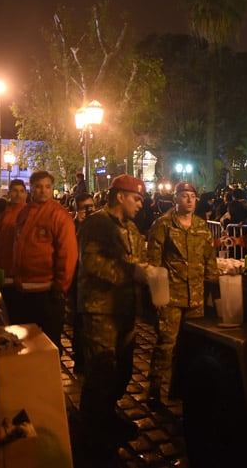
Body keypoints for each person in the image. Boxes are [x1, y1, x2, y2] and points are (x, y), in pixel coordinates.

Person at [76, 174, 148, 445]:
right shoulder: (97, 224)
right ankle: (93, 429)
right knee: (101, 370)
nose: (141, 204)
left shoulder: (130, 228)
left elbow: (139, 259)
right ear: (120, 196)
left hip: (124, 307)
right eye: (136, 199)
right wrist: (132, 272)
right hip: (100, 309)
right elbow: (93, 264)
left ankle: (106, 414)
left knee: (123, 370)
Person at [146, 181, 218, 404]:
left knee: (190, 347)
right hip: (171, 297)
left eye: (192, 196)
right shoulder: (163, 225)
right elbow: (154, 264)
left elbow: (210, 261)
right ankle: (154, 389)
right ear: (175, 199)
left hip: (195, 298)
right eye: (184, 195)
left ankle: (183, 388)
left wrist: (213, 292)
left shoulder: (201, 227)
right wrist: (157, 296)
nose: (189, 199)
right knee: (165, 344)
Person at [11, 171, 78, 349]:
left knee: (49, 343)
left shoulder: (59, 215)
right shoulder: (24, 212)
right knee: (25, 342)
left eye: (47, 187)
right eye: (39, 187)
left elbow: (68, 253)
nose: (43, 191)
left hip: (47, 292)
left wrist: (60, 287)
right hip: (23, 289)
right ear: (31, 189)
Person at [68, 191, 95, 373]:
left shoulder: (98, 226)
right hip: (76, 279)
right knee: (79, 321)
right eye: (85, 209)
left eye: (91, 207)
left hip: (94, 282)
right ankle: (80, 359)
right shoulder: (71, 226)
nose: (89, 212)